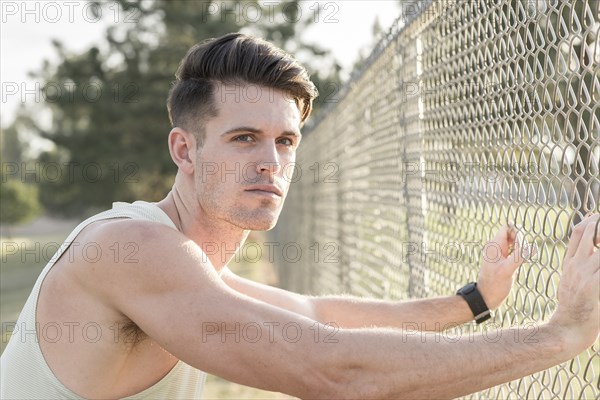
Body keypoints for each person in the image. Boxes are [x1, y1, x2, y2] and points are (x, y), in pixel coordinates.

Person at [1, 32, 598, 399]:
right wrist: (561, 335)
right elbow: (333, 373)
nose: (269, 161)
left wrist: (475, 301)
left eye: (285, 141)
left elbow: (316, 315)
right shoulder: (134, 249)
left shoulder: (186, 261)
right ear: (184, 150)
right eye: (242, 138)